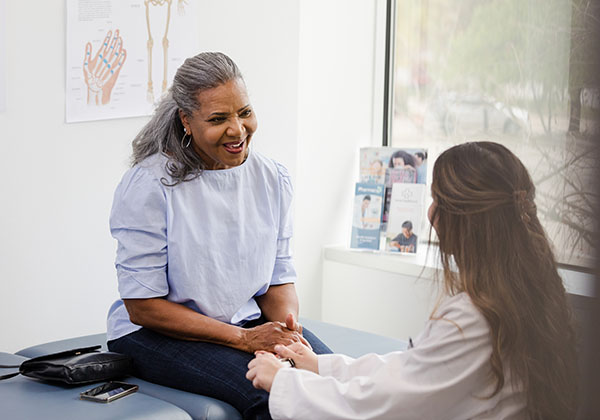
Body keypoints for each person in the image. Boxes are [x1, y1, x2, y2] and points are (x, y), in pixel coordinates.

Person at [246, 142, 578, 420]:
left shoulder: (473, 315)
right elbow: (415, 369)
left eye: (437, 201)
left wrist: (285, 382)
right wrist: (323, 366)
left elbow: (392, 403)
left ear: (464, 219)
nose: (430, 214)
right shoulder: (530, 290)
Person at [106, 52, 331, 420]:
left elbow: (278, 277)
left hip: (244, 324)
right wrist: (245, 340)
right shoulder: (149, 185)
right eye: (218, 119)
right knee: (275, 398)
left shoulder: (271, 177)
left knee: (330, 381)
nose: (238, 130)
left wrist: (286, 334)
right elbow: (142, 305)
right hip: (153, 335)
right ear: (186, 121)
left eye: (244, 112)